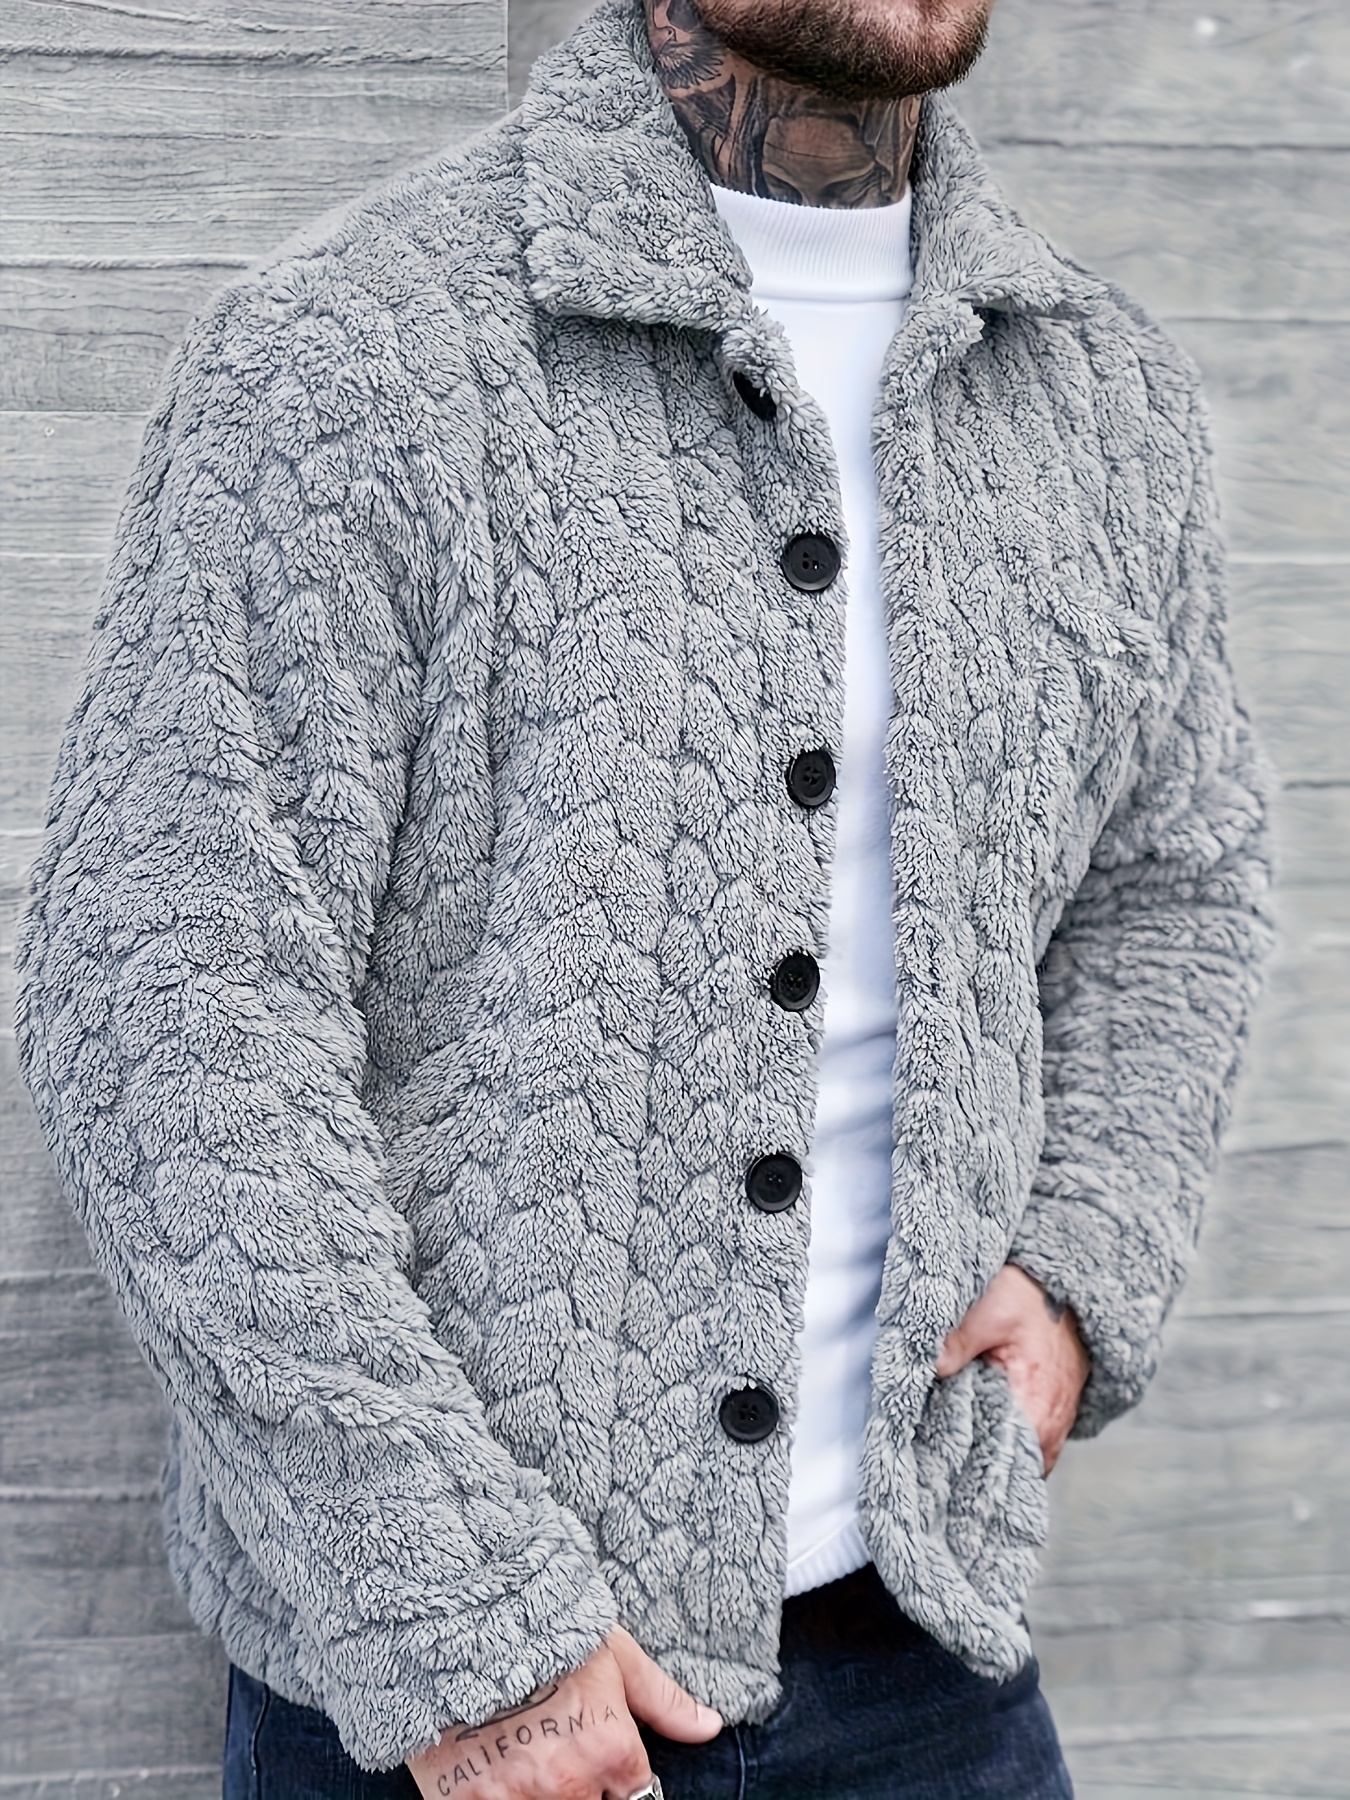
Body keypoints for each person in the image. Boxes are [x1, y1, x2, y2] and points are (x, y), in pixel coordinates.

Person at [15, 0, 1273, 1791]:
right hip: (472, 1706)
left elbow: (1172, 877)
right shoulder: (352, 354)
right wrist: (460, 1624)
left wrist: (1083, 1257)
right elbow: (164, 1005)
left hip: (926, 1652)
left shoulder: (1096, 394)